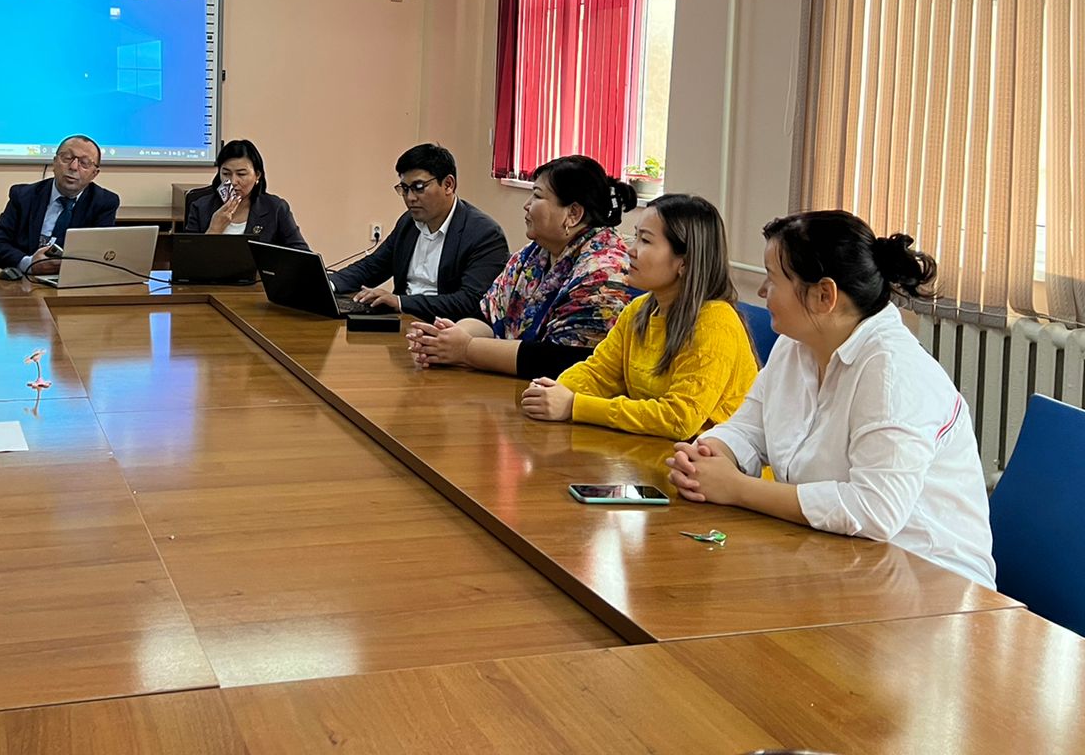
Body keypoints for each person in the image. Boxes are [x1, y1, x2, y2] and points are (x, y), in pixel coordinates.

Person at [667, 211, 996, 588]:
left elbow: (874, 510)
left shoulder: (893, 372)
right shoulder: (796, 345)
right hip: (840, 556)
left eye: (772, 278)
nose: (761, 291)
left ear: (824, 295)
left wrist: (737, 488)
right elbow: (747, 429)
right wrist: (709, 456)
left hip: (929, 582)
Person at [521, 193, 757, 440]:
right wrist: (554, 390)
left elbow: (679, 418)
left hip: (713, 459)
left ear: (684, 262)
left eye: (645, 240)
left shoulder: (716, 322)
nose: (630, 250)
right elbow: (600, 372)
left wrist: (574, 405)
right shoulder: (639, 309)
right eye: (635, 237)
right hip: (654, 451)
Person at [406, 155, 637, 378]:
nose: (526, 205)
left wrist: (466, 350)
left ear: (573, 213)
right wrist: (445, 339)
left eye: (537, 196)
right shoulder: (531, 255)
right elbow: (487, 316)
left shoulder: (605, 271)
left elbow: (565, 360)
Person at [328, 143, 509, 322]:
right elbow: (373, 266)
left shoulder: (484, 235)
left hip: (445, 328)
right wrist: (329, 284)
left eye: (419, 187)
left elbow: (470, 301)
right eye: (405, 189)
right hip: (403, 320)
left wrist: (400, 302)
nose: (410, 198)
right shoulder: (409, 223)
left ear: (448, 185)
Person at [0, 134, 121, 276]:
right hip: (25, 281)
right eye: (67, 158)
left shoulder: (104, 202)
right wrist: (29, 264)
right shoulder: (23, 196)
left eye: (84, 163)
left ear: (94, 174)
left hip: (74, 282)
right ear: (54, 162)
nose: (73, 167)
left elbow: (100, 256)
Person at [183, 138, 310, 250]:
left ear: (257, 175)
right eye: (226, 174)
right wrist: (214, 229)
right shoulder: (200, 207)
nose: (233, 181)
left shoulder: (276, 208)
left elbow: (302, 254)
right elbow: (186, 260)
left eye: (241, 174)